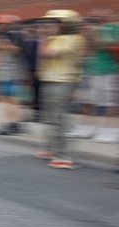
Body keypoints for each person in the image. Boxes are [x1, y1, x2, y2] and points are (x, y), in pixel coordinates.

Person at [33, 10, 87, 169]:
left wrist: (43, 37)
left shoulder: (75, 39)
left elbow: (46, 54)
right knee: (49, 119)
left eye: (55, 22)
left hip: (63, 82)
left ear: (66, 24)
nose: (49, 25)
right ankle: (52, 150)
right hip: (48, 80)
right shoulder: (54, 39)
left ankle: (66, 156)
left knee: (60, 120)